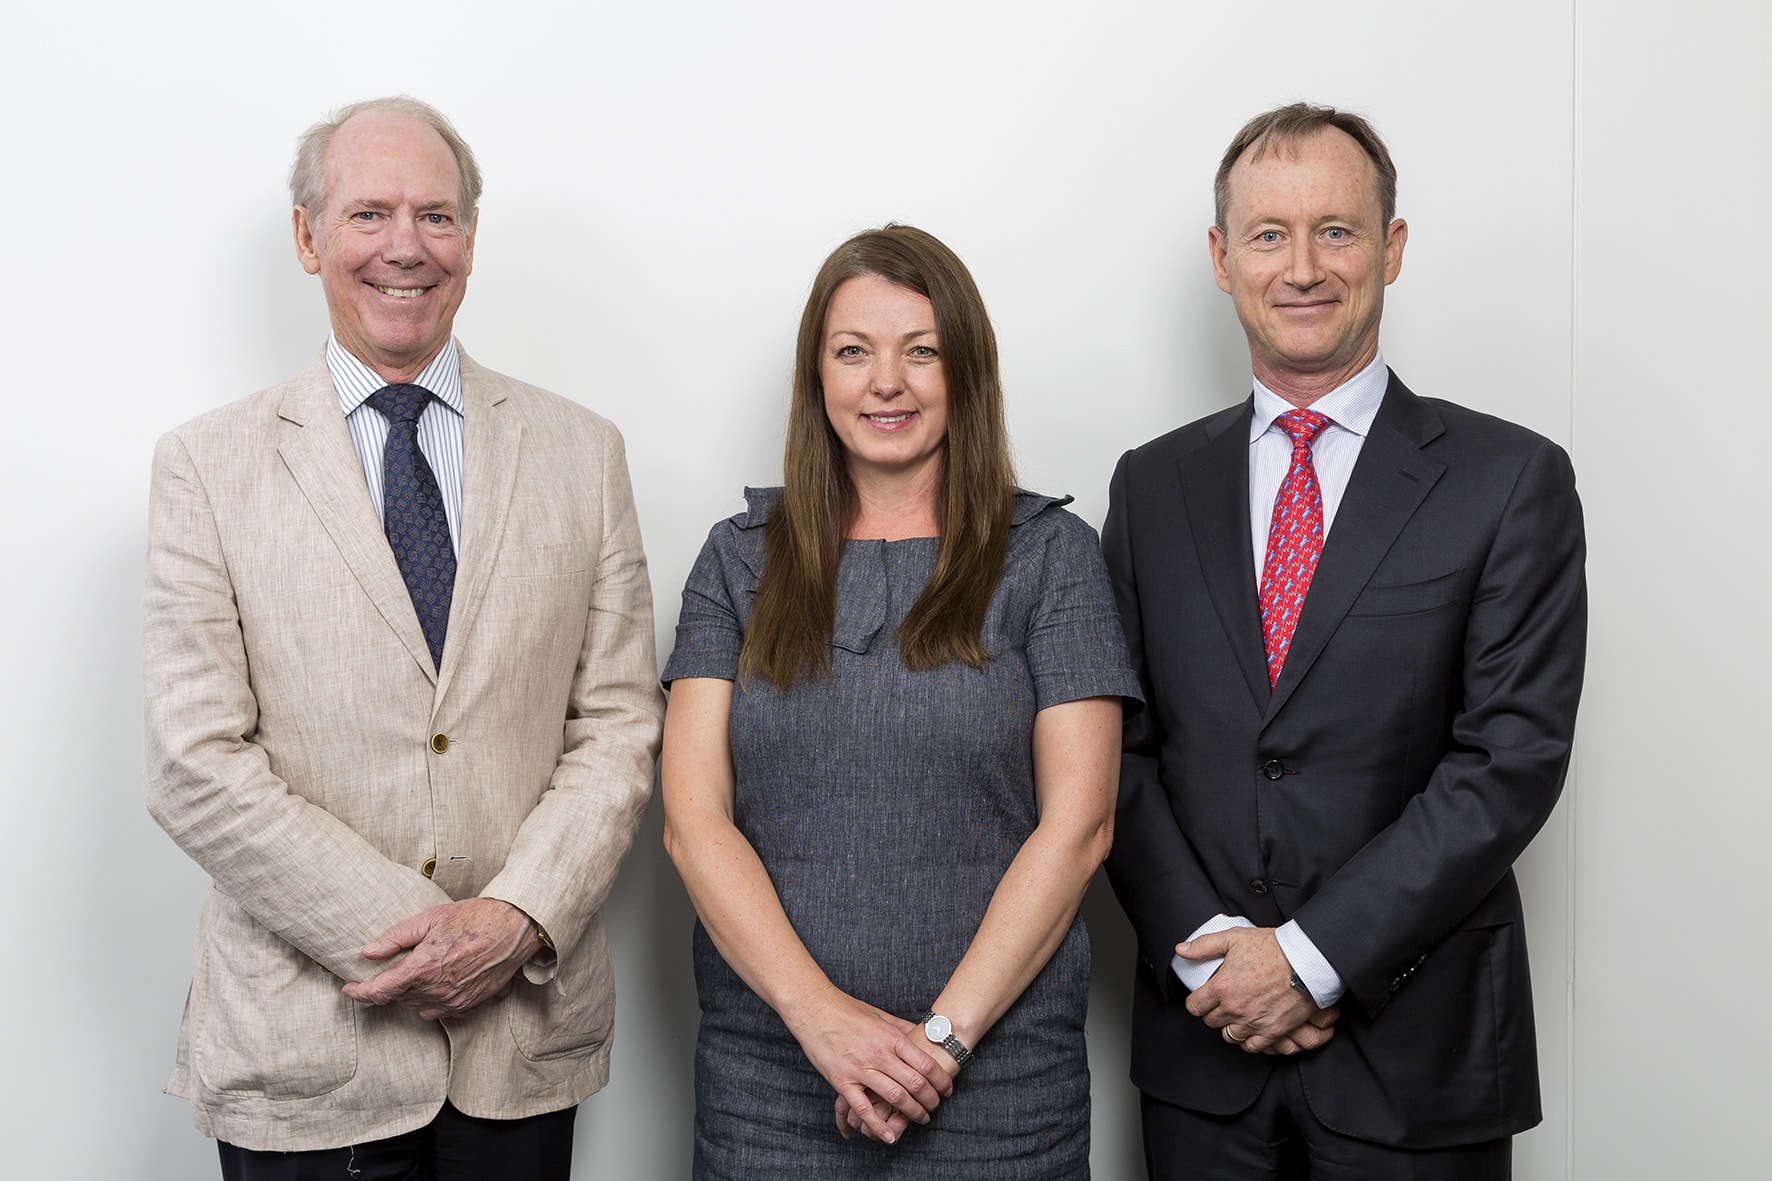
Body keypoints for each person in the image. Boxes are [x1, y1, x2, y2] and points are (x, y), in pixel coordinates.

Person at [142, 96, 663, 1180]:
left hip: (517, 1049)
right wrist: (423, 936)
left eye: (436, 215)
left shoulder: (582, 452)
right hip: (304, 1050)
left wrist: (516, 915)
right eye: (368, 212)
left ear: (471, 237)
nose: (404, 247)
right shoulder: (206, 465)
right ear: (307, 237)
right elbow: (194, 762)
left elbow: (616, 724)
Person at [1102, 103, 1587, 1180]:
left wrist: (1310, 960)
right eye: (1268, 234)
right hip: (1202, 1053)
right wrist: (1214, 960)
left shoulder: (1508, 481)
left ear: (1391, 249)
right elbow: (1117, 754)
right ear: (1222, 261)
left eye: (1337, 229)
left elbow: (1505, 762)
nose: (1303, 266)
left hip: (1416, 1062)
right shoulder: (1149, 485)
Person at [660, 224, 1138, 1178]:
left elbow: (1079, 824)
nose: (888, 382)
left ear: (967, 370)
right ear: (816, 377)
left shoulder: (1050, 556)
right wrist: (823, 1020)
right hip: (772, 1081)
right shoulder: (736, 557)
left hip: (1000, 1084)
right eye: (854, 352)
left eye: (922, 351)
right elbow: (692, 817)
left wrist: (939, 1043)